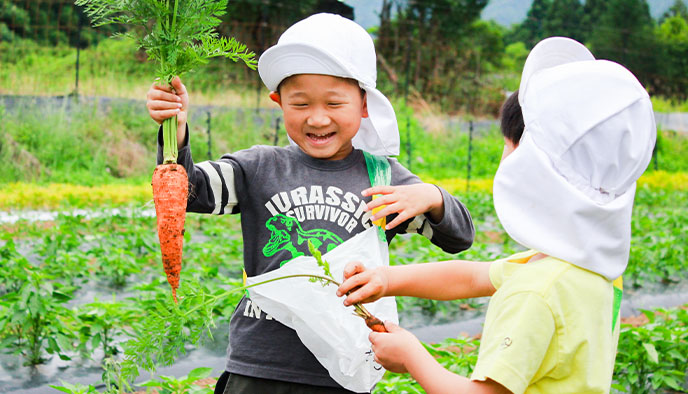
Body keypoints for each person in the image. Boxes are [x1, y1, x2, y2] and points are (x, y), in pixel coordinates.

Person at [145, 13, 475, 394]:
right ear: (278, 101)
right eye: (300, 104)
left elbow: (458, 238)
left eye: (335, 103)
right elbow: (191, 192)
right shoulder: (258, 167)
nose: (317, 118)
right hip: (259, 365)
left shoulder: (384, 178)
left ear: (364, 104)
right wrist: (177, 128)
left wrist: (432, 198)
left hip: (341, 367)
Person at [337, 36, 656, 394]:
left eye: (508, 148)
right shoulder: (585, 266)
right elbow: (472, 278)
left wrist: (412, 357)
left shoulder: (535, 292)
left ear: (530, 169)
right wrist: (386, 279)